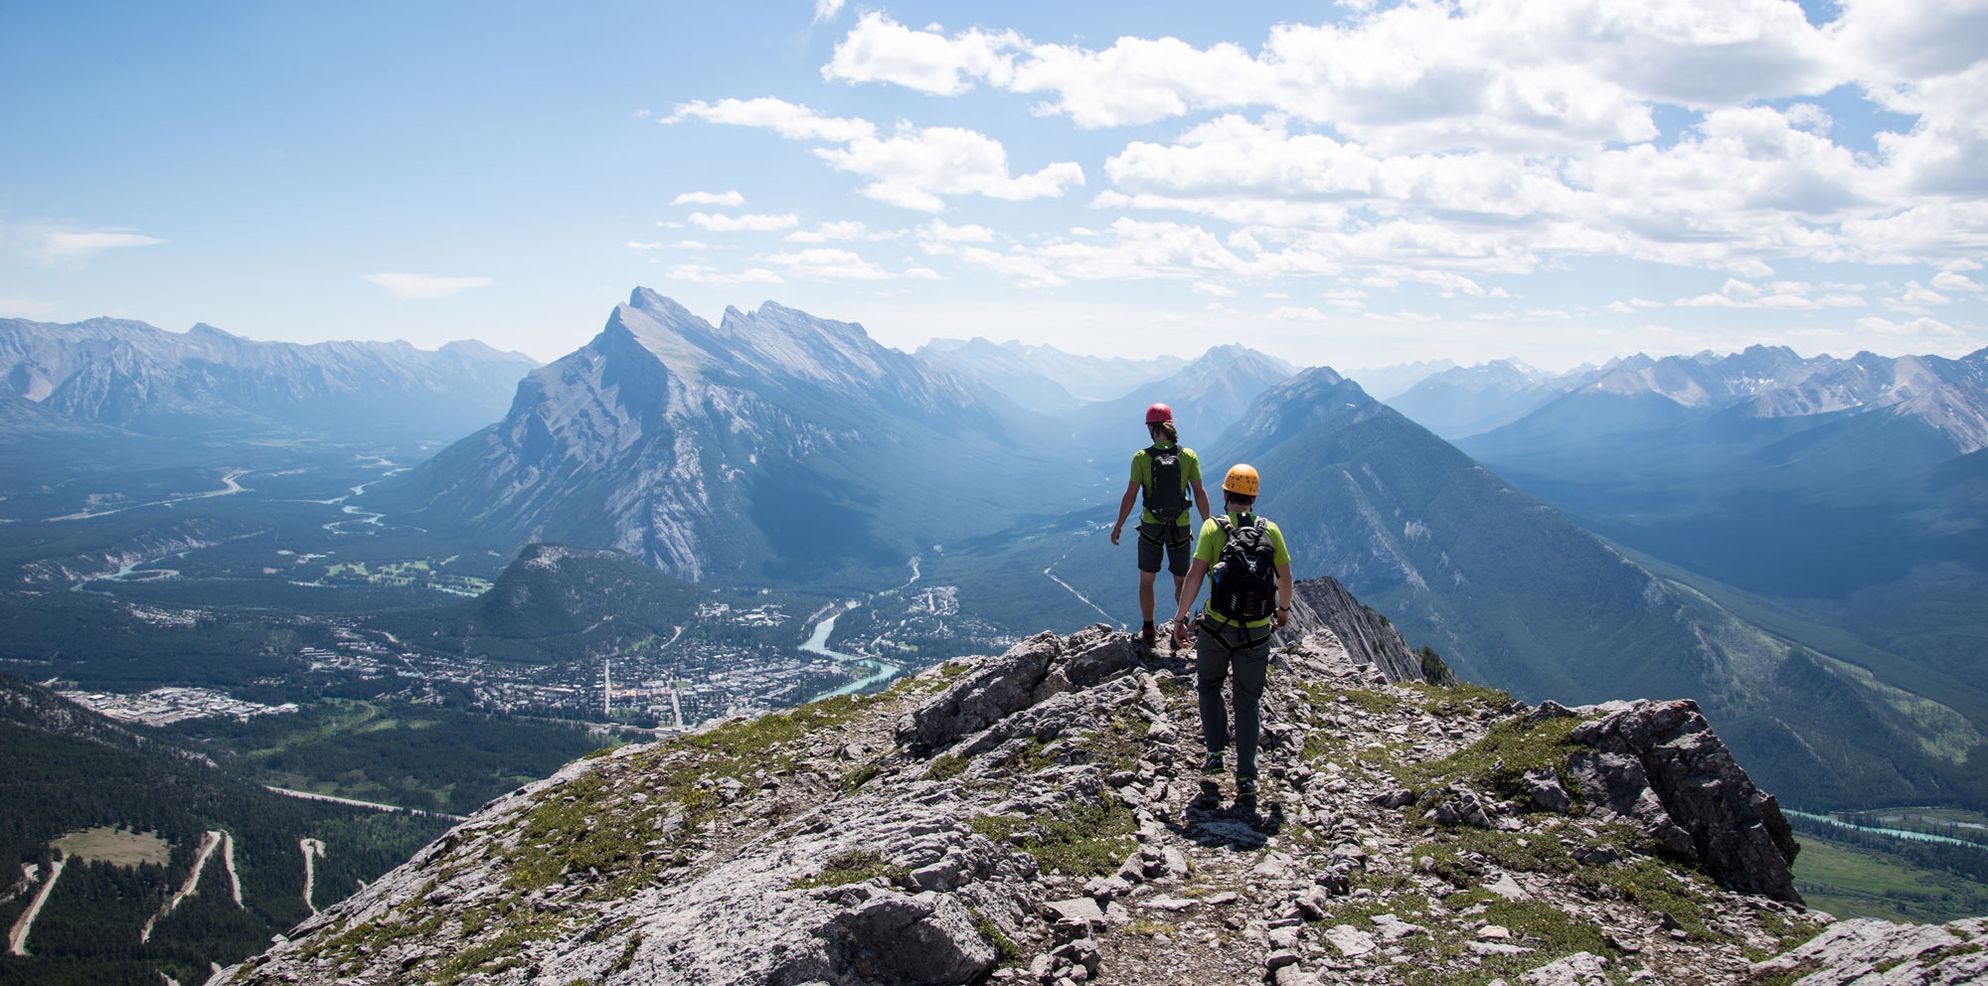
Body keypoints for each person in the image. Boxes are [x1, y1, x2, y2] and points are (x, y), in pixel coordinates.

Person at [1168, 463, 1294, 799]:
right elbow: (1285, 579)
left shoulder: (1213, 529)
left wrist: (1180, 619)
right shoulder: (1272, 531)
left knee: (1209, 686)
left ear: (1225, 494)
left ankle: (1215, 754)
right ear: (1254, 496)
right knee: (1248, 701)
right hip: (1256, 632)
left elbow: (1194, 577)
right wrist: (1282, 612)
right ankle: (1247, 776)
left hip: (1217, 629)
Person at [1110, 403, 1211, 650]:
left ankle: (1148, 630)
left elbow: (1130, 495)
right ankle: (1180, 625)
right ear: (1170, 425)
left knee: (1147, 580)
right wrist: (1209, 525)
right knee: (1181, 582)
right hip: (1180, 526)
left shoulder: (1142, 458)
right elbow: (1199, 493)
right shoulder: (1188, 456)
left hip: (1151, 528)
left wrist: (1118, 525)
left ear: (1151, 428)